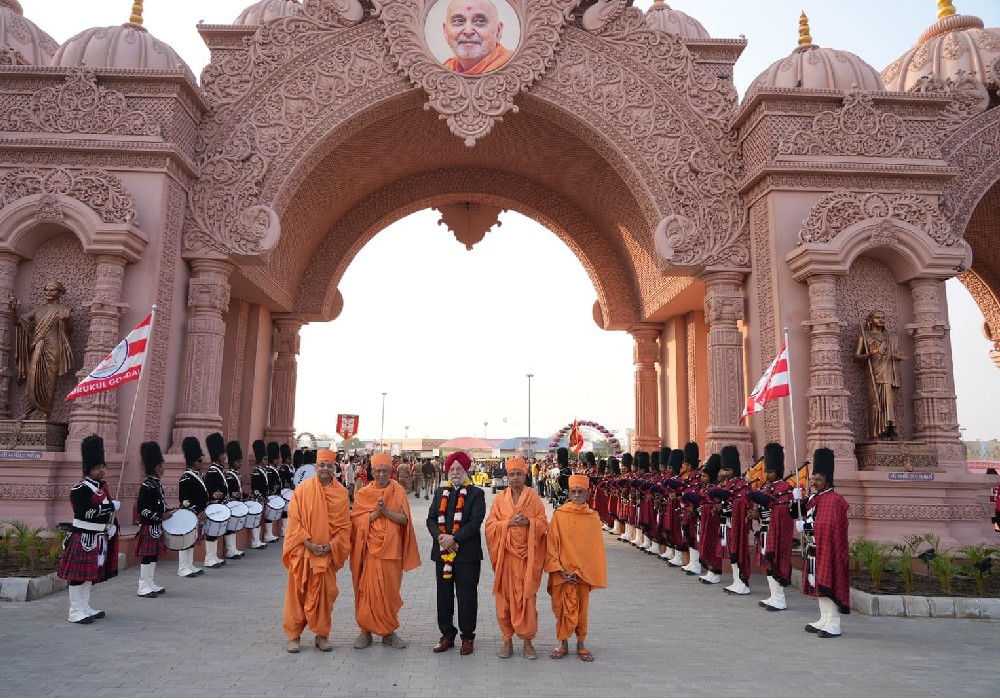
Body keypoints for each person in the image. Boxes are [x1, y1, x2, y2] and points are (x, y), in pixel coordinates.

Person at [281, 449, 351, 653]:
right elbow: (294, 520)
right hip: (304, 552)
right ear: (316, 467)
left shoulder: (341, 493)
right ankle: (293, 636)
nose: (325, 469)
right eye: (322, 465)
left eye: (329, 465)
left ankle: (322, 635)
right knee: (297, 595)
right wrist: (308, 543)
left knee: (325, 595)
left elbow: (345, 527)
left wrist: (332, 545)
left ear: (334, 468)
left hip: (327, 554)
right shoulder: (303, 491)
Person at [349, 453, 421, 650]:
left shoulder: (398, 491)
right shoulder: (363, 494)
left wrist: (387, 511)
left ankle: (388, 632)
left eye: (385, 471)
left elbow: (405, 520)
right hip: (369, 552)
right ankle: (365, 631)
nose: (381, 474)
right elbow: (355, 523)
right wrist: (375, 514)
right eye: (378, 471)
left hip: (391, 551)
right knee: (366, 591)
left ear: (391, 472)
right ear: (372, 472)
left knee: (389, 593)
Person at [484, 457, 547, 660]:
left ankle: (528, 642)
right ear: (507, 476)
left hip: (527, 559)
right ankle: (507, 640)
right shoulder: (499, 499)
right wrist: (508, 524)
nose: (515, 478)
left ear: (525, 475)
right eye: (511, 474)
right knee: (505, 601)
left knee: (527, 599)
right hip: (506, 558)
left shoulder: (534, 498)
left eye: (519, 474)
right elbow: (490, 526)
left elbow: (543, 523)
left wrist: (528, 522)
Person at [427, 451, 486, 655]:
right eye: (451, 468)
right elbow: (431, 520)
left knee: (467, 596)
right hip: (442, 552)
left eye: (458, 468)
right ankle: (447, 635)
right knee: (443, 596)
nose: (454, 472)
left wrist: (454, 538)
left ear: (465, 470)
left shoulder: (477, 494)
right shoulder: (439, 493)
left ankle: (467, 637)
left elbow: (475, 522)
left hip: (467, 555)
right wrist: (441, 537)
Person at [544, 474, 607, 662]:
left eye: (581, 492)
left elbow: (594, 549)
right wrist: (561, 570)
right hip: (562, 573)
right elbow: (551, 544)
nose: (577, 494)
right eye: (574, 491)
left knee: (582, 610)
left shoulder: (593, 517)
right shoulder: (560, 515)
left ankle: (581, 643)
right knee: (560, 609)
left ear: (587, 494)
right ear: (569, 494)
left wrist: (582, 572)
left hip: (582, 575)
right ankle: (563, 643)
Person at [58, 434, 120, 623]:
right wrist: (109, 507)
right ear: (88, 469)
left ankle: (85, 606)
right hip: (83, 536)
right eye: (97, 467)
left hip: (98, 536)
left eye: (103, 467)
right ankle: (75, 610)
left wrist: (109, 525)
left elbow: (102, 514)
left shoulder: (102, 488)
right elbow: (86, 512)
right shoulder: (80, 489)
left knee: (89, 575)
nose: (101, 471)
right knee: (78, 576)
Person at [793, 447, 850, 638]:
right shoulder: (815, 498)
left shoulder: (834, 500)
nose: (814, 483)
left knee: (827, 584)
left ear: (827, 479)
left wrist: (807, 527)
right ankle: (824, 618)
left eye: (818, 479)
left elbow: (827, 525)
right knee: (818, 584)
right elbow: (794, 513)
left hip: (828, 550)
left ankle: (834, 623)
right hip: (813, 549)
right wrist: (796, 500)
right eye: (813, 479)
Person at [9, 280, 74, 419]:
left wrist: (65, 320)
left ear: (60, 293)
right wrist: (13, 309)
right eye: (46, 290)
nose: (48, 293)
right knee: (33, 377)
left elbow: (69, 330)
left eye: (52, 290)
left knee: (49, 380)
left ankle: (46, 413)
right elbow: (17, 322)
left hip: (54, 346)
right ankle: (27, 412)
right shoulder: (39, 310)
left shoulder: (64, 309)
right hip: (38, 345)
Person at [747, 443, 795, 610]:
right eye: (766, 471)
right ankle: (774, 596)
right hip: (766, 530)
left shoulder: (785, 487)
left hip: (778, 532)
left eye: (771, 472)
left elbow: (782, 510)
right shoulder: (766, 487)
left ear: (779, 471)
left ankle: (780, 599)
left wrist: (766, 504)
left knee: (775, 564)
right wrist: (757, 514)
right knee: (768, 565)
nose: (768, 475)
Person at [854, 310, 908, 440]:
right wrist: (869, 354)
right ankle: (876, 434)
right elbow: (856, 357)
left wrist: (899, 357)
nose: (881, 320)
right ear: (871, 320)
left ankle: (892, 431)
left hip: (890, 374)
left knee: (891, 404)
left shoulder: (892, 337)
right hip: (874, 374)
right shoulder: (864, 336)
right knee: (875, 404)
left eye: (883, 317)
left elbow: (897, 353)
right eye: (877, 317)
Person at [441, 0, 514, 75]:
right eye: (458, 21)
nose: (468, 31)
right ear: (445, 31)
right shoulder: (443, 72)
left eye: (480, 21)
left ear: (498, 31)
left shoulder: (514, 68)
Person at [136, 440, 170, 599]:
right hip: (149, 525)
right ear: (156, 467)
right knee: (147, 556)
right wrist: (159, 516)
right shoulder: (147, 485)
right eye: (161, 465)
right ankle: (143, 585)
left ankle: (150, 582)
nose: (163, 468)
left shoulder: (155, 483)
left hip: (156, 526)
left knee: (154, 555)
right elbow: (142, 509)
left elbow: (160, 504)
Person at [178, 436, 208, 578]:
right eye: (199, 461)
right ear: (192, 461)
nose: (201, 463)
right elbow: (184, 499)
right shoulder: (186, 477)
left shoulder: (198, 475)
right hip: (189, 513)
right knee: (185, 541)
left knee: (192, 540)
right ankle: (182, 567)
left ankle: (189, 564)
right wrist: (197, 510)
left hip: (197, 513)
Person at [202, 432, 229, 569]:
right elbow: (210, 489)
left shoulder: (219, 469)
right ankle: (209, 558)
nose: (225, 456)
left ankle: (213, 556)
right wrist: (214, 494)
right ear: (219, 455)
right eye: (223, 454)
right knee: (212, 532)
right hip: (214, 505)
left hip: (220, 504)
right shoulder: (213, 471)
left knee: (217, 531)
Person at [224, 440, 246, 559]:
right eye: (238, 462)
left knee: (234, 526)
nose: (240, 464)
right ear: (232, 461)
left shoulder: (236, 474)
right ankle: (229, 550)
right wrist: (234, 494)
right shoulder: (228, 475)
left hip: (236, 503)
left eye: (241, 461)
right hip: (231, 504)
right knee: (230, 527)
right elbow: (228, 490)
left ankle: (233, 548)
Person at [250, 440, 272, 549]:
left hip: (263, 499)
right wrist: (262, 498)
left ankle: (257, 540)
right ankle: (255, 541)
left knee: (260, 519)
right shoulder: (256, 472)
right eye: (265, 459)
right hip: (258, 499)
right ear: (260, 460)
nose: (266, 461)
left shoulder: (263, 470)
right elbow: (255, 488)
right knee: (256, 520)